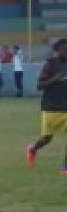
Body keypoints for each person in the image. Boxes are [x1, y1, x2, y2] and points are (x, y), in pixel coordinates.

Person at [25, 38, 67, 176]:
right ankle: (32, 149)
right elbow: (39, 85)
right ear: (57, 51)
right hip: (51, 108)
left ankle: (64, 167)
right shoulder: (50, 64)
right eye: (64, 49)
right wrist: (55, 79)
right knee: (46, 138)